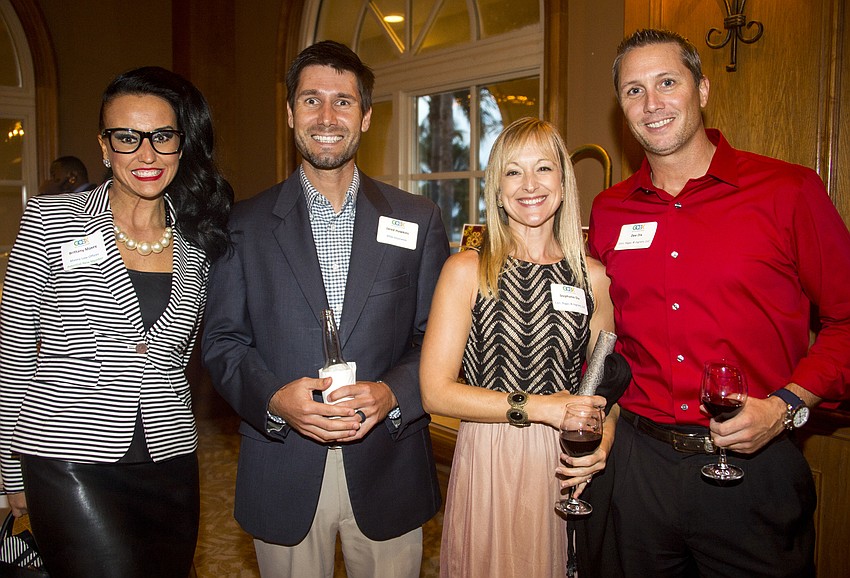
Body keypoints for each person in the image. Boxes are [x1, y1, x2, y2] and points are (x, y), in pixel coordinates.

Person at [583, 28, 850, 577]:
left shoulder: (787, 191)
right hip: (639, 472)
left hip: (755, 471)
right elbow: (599, 332)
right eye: (633, 90)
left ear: (702, 89)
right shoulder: (610, 210)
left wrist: (785, 406)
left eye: (666, 82)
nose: (651, 103)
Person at [201, 40, 449, 578]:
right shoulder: (240, 225)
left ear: (365, 117)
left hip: (388, 459)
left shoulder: (419, 218)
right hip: (283, 459)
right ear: (290, 113)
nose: (327, 116)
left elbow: (437, 337)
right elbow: (221, 342)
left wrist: (392, 393)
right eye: (311, 100)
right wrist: (273, 399)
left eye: (343, 101)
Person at [0, 66, 233, 577]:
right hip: (68, 461)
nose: (146, 155)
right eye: (127, 138)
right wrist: (9, 472)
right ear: (104, 146)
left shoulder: (200, 242)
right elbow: (15, 353)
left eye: (162, 137)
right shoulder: (51, 217)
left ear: (181, 146)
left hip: (170, 459)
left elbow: (180, 352)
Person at [420, 117, 617, 577]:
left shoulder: (594, 278)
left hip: (563, 459)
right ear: (497, 187)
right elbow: (435, 391)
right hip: (489, 454)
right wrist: (541, 407)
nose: (529, 184)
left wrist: (602, 440)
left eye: (543, 169)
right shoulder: (467, 270)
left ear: (564, 183)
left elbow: (606, 385)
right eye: (513, 171)